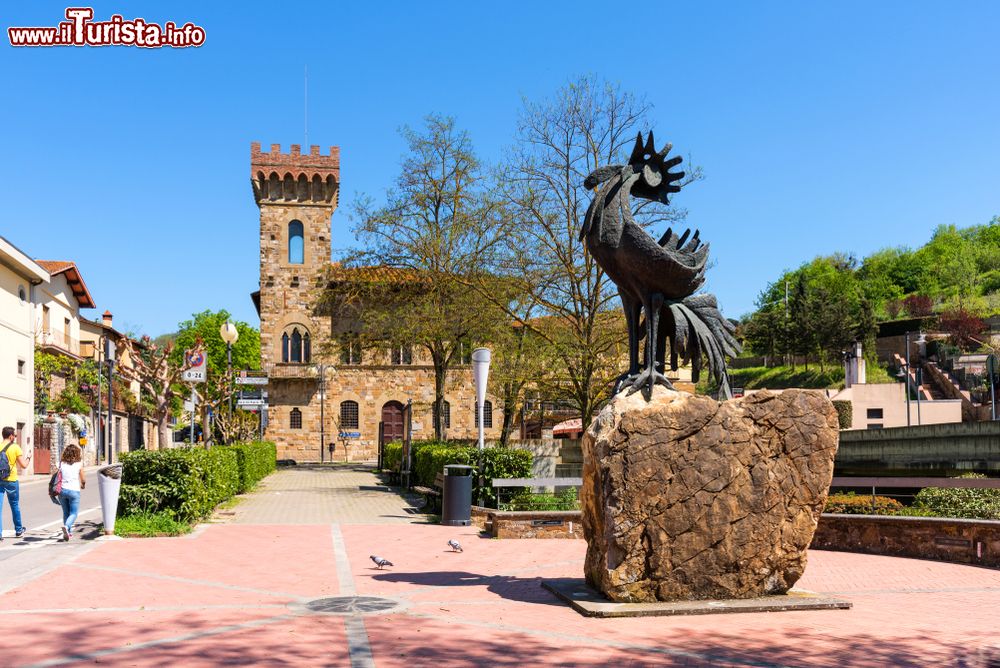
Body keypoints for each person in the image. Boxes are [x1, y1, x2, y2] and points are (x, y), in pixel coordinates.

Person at [1, 426, 31, 541]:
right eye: (14, 435)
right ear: (11, 436)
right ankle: (18, 530)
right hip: (12, 480)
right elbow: (23, 465)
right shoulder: (15, 447)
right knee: (14, 505)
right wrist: (28, 457)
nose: (14, 437)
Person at [56, 444, 85, 541]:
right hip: (74, 491)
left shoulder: (61, 463)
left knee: (65, 512)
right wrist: (83, 484)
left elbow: (57, 476)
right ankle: (67, 526)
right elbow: (83, 479)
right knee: (74, 513)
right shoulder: (79, 464)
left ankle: (69, 533)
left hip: (62, 491)